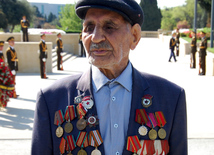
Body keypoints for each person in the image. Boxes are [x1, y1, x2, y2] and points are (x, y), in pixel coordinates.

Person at [31, 0, 187, 155]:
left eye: (109, 27)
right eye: (89, 27)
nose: (96, 37)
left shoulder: (171, 97)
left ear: (134, 36)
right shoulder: (51, 99)